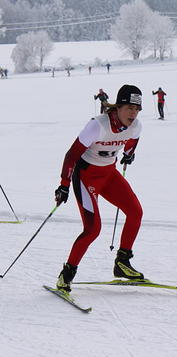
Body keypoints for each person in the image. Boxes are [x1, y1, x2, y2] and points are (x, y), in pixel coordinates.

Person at [54, 85, 144, 292]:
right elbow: (72, 155)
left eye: (137, 109)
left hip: (109, 175)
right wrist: (64, 185)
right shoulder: (98, 125)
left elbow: (133, 141)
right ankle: (66, 275)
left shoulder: (136, 126)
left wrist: (129, 153)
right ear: (119, 107)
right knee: (93, 229)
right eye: (129, 108)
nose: (133, 113)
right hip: (86, 177)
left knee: (135, 212)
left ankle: (122, 262)